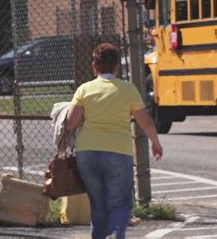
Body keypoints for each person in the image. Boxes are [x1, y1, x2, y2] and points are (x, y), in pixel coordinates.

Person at [65, 43, 163, 239]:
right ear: (117, 67)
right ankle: (116, 234)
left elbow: (70, 123)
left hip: (87, 153)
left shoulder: (84, 89)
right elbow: (146, 122)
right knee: (120, 202)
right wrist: (155, 143)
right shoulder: (127, 89)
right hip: (118, 151)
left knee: (97, 203)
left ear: (95, 67)